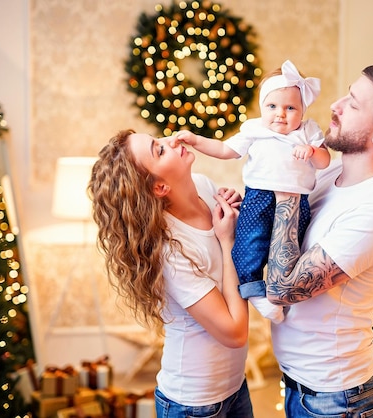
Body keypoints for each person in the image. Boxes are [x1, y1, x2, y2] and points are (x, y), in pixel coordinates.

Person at [264, 61, 373, 417]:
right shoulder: (333, 170)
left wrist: (287, 188)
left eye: (353, 104)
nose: (335, 105)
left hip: (337, 399)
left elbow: (283, 289)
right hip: (303, 385)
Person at [88, 130, 253, 418]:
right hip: (194, 404)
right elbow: (235, 332)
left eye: (159, 140)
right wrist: (227, 242)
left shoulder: (203, 187)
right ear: (160, 187)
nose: (172, 141)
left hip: (235, 386)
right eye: (159, 150)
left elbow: (231, 268)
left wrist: (234, 214)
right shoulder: (169, 248)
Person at [175, 60, 331, 324]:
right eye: (272, 106)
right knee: (248, 244)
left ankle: (280, 291)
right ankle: (254, 291)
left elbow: (325, 161)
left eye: (290, 108)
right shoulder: (254, 130)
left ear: (302, 111)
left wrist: (313, 152)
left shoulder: (308, 131)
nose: (280, 114)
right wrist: (196, 140)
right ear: (262, 108)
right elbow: (225, 150)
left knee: (289, 249)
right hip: (258, 197)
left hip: (297, 201)